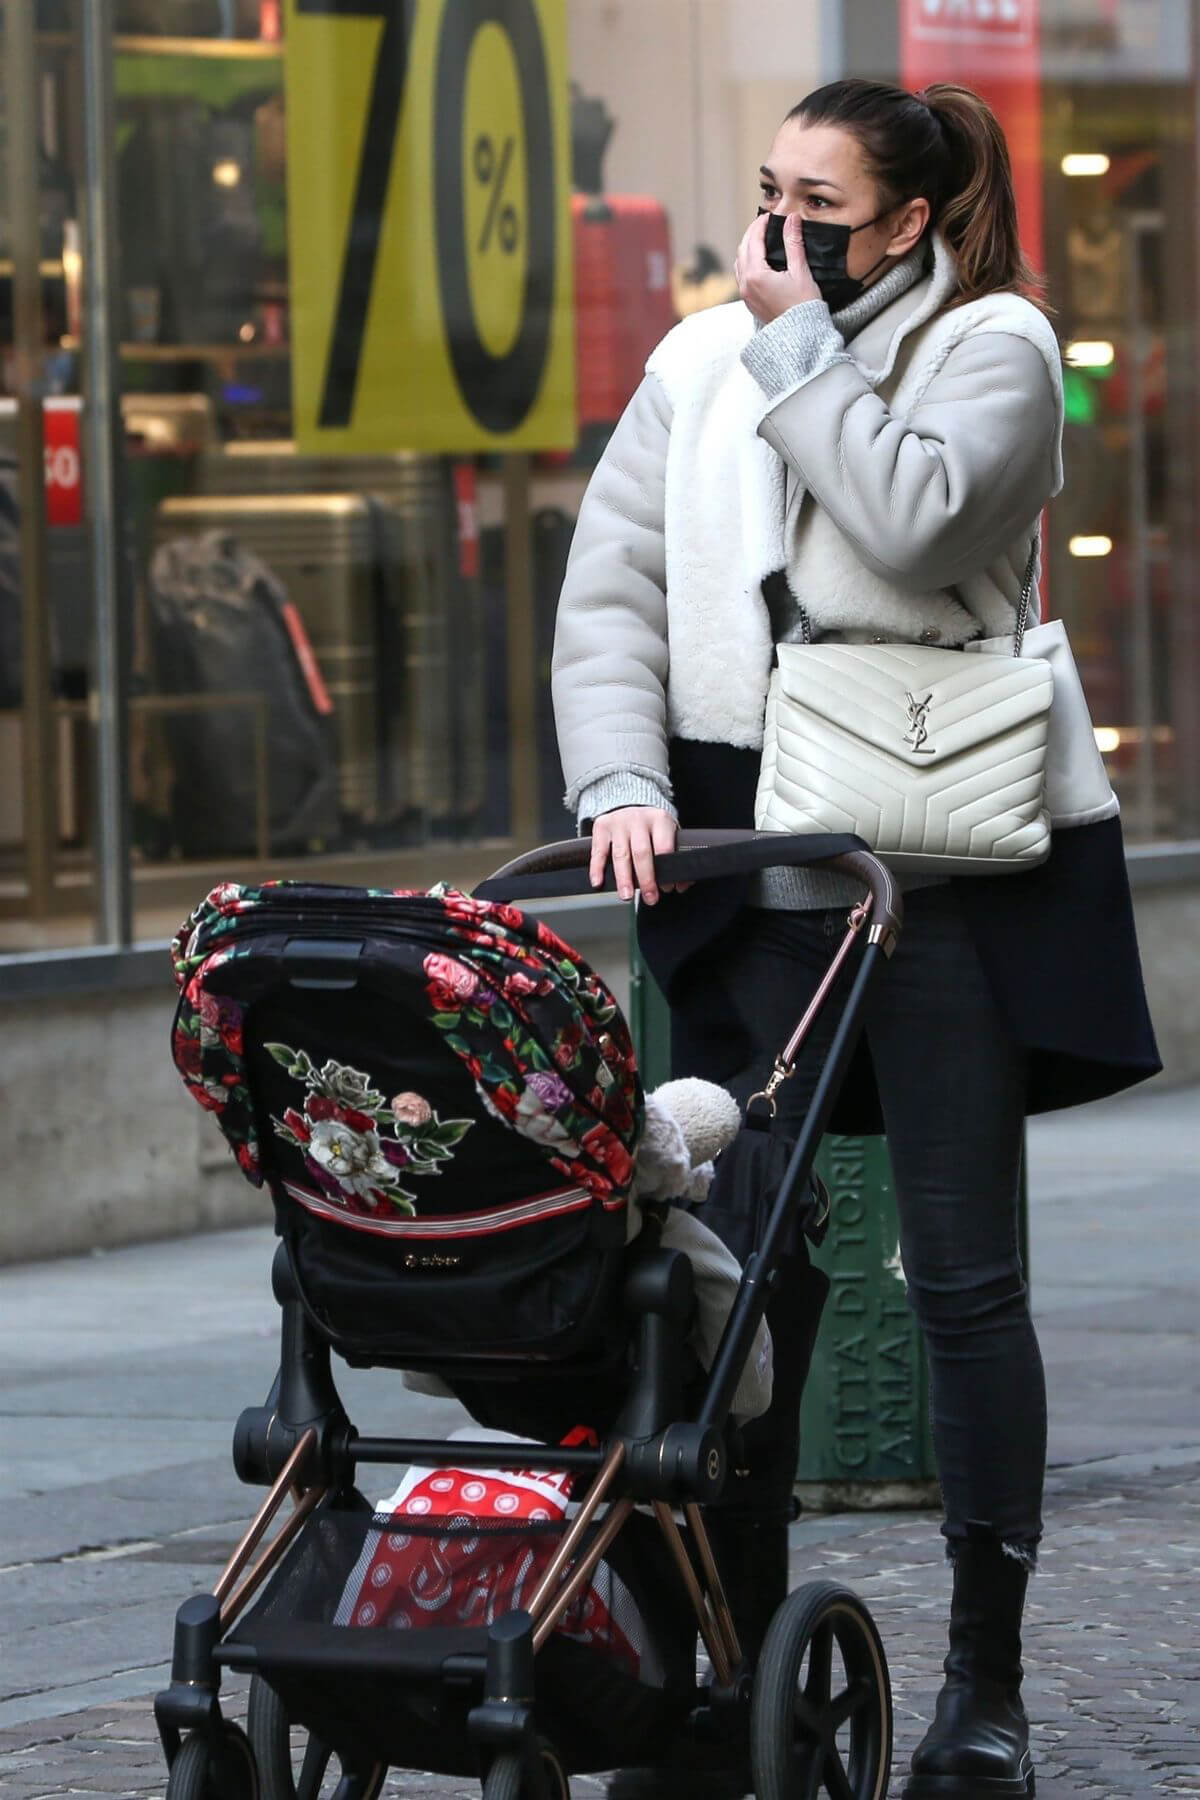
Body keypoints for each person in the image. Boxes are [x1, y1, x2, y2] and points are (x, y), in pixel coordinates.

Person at [552, 77, 1160, 1800]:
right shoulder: (692, 361)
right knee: (729, 1284)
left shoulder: (997, 349)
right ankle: (717, 1676)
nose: (783, 226)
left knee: (965, 1286)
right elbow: (612, 592)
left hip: (934, 873)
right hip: (744, 866)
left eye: (823, 201)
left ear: (907, 220)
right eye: (767, 191)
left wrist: (796, 345)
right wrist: (617, 771)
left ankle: (988, 1684)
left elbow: (912, 521)